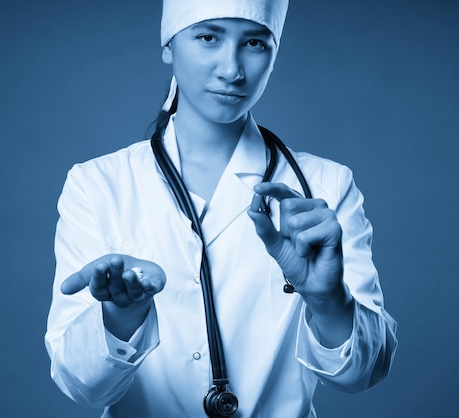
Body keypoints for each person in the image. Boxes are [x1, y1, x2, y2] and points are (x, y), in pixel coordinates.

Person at [45, 0, 397, 416]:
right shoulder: (97, 184)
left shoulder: (325, 186)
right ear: (169, 45)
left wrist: (328, 299)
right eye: (208, 37)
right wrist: (122, 316)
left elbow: (364, 373)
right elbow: (79, 386)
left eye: (254, 43)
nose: (232, 70)